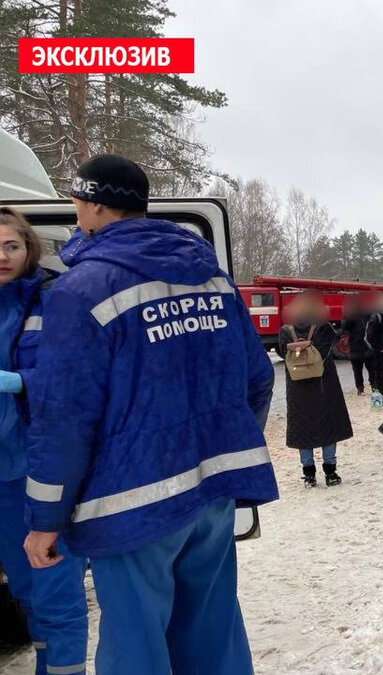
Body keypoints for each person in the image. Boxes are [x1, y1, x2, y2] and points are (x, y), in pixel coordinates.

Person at [21, 154, 277, 674]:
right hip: (211, 494)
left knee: (135, 648)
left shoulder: (80, 289)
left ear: (90, 203)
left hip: (131, 501)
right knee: (213, 635)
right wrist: (223, 449)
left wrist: (45, 519)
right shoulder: (212, 276)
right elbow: (257, 378)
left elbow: (64, 418)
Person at [0, 207, 88, 675]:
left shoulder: (53, 297)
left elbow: (75, 376)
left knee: (56, 590)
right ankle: (44, 665)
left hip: (42, 470)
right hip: (0, 475)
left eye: (10, 245)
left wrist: (19, 381)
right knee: (23, 589)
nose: (2, 256)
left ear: (28, 247)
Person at [278, 292, 353, 488]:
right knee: (328, 426)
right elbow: (331, 348)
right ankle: (330, 472)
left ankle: (309, 474)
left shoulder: (286, 330)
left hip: (297, 388)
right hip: (323, 385)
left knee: (303, 428)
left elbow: (280, 352)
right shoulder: (323, 327)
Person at [341, 295, 371, 395]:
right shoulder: (350, 316)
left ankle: (373, 386)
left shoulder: (367, 313)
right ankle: (360, 389)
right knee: (357, 370)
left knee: (371, 369)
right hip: (355, 347)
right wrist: (347, 316)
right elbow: (344, 327)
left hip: (366, 346)